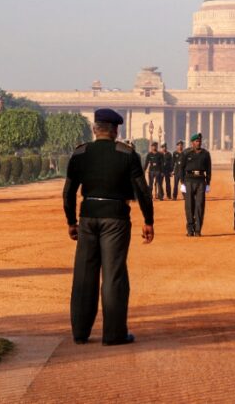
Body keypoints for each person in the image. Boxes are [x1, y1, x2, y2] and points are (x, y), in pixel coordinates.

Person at [63, 108, 154, 346]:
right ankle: (114, 334)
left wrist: (71, 221)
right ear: (115, 130)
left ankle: (80, 332)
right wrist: (148, 220)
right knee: (113, 275)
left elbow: (69, 192)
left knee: (84, 274)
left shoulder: (80, 153)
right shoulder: (126, 154)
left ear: (95, 129)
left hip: (88, 215)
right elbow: (142, 191)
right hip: (115, 217)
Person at [180, 133, 211, 236]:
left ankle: (198, 230)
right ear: (192, 142)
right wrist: (182, 183)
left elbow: (209, 169)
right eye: (196, 141)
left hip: (201, 181)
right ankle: (190, 229)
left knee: (200, 205)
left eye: (200, 141)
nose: (199, 143)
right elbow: (181, 168)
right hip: (188, 181)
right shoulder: (186, 153)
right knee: (189, 206)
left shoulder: (205, 154)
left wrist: (208, 183)